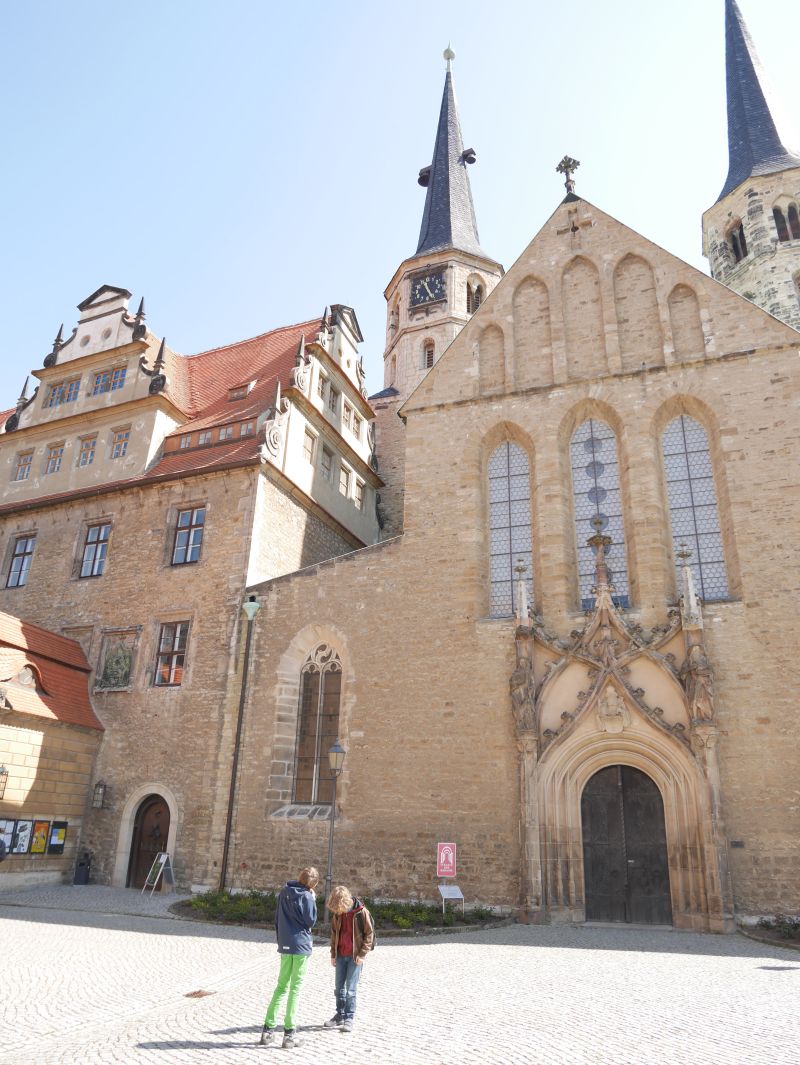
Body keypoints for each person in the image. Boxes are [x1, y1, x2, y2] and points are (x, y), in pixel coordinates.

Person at [259, 866, 319, 1050]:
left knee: (281, 986)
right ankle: (289, 1034)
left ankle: (267, 1030)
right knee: (295, 989)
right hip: (300, 946)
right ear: (313, 884)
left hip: (285, 943)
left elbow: (277, 918)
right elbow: (311, 921)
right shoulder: (307, 896)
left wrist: (281, 939)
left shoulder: (284, 891)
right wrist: (314, 901)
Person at [324, 885, 374, 1033]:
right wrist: (333, 954)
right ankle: (340, 1014)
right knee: (339, 989)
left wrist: (362, 955)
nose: (338, 911)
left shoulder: (361, 913)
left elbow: (369, 934)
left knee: (350, 990)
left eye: (340, 908)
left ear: (346, 902)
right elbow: (334, 935)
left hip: (355, 957)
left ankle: (349, 1018)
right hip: (340, 955)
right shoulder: (338, 914)